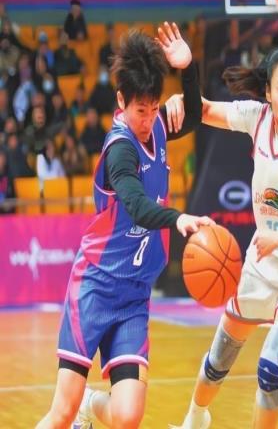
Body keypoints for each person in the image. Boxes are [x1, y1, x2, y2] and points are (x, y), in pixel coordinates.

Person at [36, 23, 211, 429]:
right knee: (61, 413)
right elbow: (135, 206)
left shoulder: (157, 125)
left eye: (153, 108)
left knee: (128, 416)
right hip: (96, 286)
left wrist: (188, 69)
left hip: (134, 295)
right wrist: (179, 218)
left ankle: (90, 405)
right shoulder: (119, 149)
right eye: (140, 111)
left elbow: (194, 115)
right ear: (121, 101)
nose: (148, 120)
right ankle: (78, 408)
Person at [165, 46, 278, 429]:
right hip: (262, 268)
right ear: (268, 93)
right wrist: (181, 96)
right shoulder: (257, 118)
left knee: (269, 368)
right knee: (217, 362)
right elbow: (203, 110)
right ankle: (194, 419)